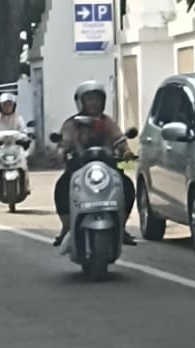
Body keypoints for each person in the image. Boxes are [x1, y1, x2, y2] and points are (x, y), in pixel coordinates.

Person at [52, 82, 136, 247]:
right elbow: (65, 139)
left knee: (127, 185)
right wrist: (61, 151)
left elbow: (119, 139)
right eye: (89, 99)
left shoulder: (107, 122)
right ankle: (66, 227)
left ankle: (122, 227)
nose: (94, 103)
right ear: (81, 102)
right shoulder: (73, 123)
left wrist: (127, 153)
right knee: (62, 186)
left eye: (97, 99)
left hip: (108, 164)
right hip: (79, 165)